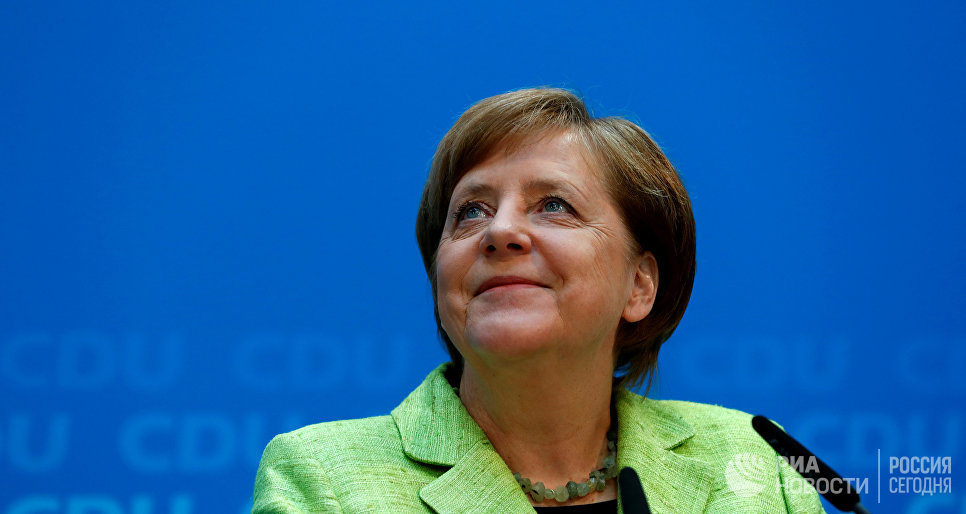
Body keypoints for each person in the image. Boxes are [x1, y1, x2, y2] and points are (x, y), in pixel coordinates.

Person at [252, 88, 824, 513]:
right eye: (470, 212)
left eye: (554, 205)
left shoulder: (757, 465)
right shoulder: (325, 480)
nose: (499, 231)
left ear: (639, 286)